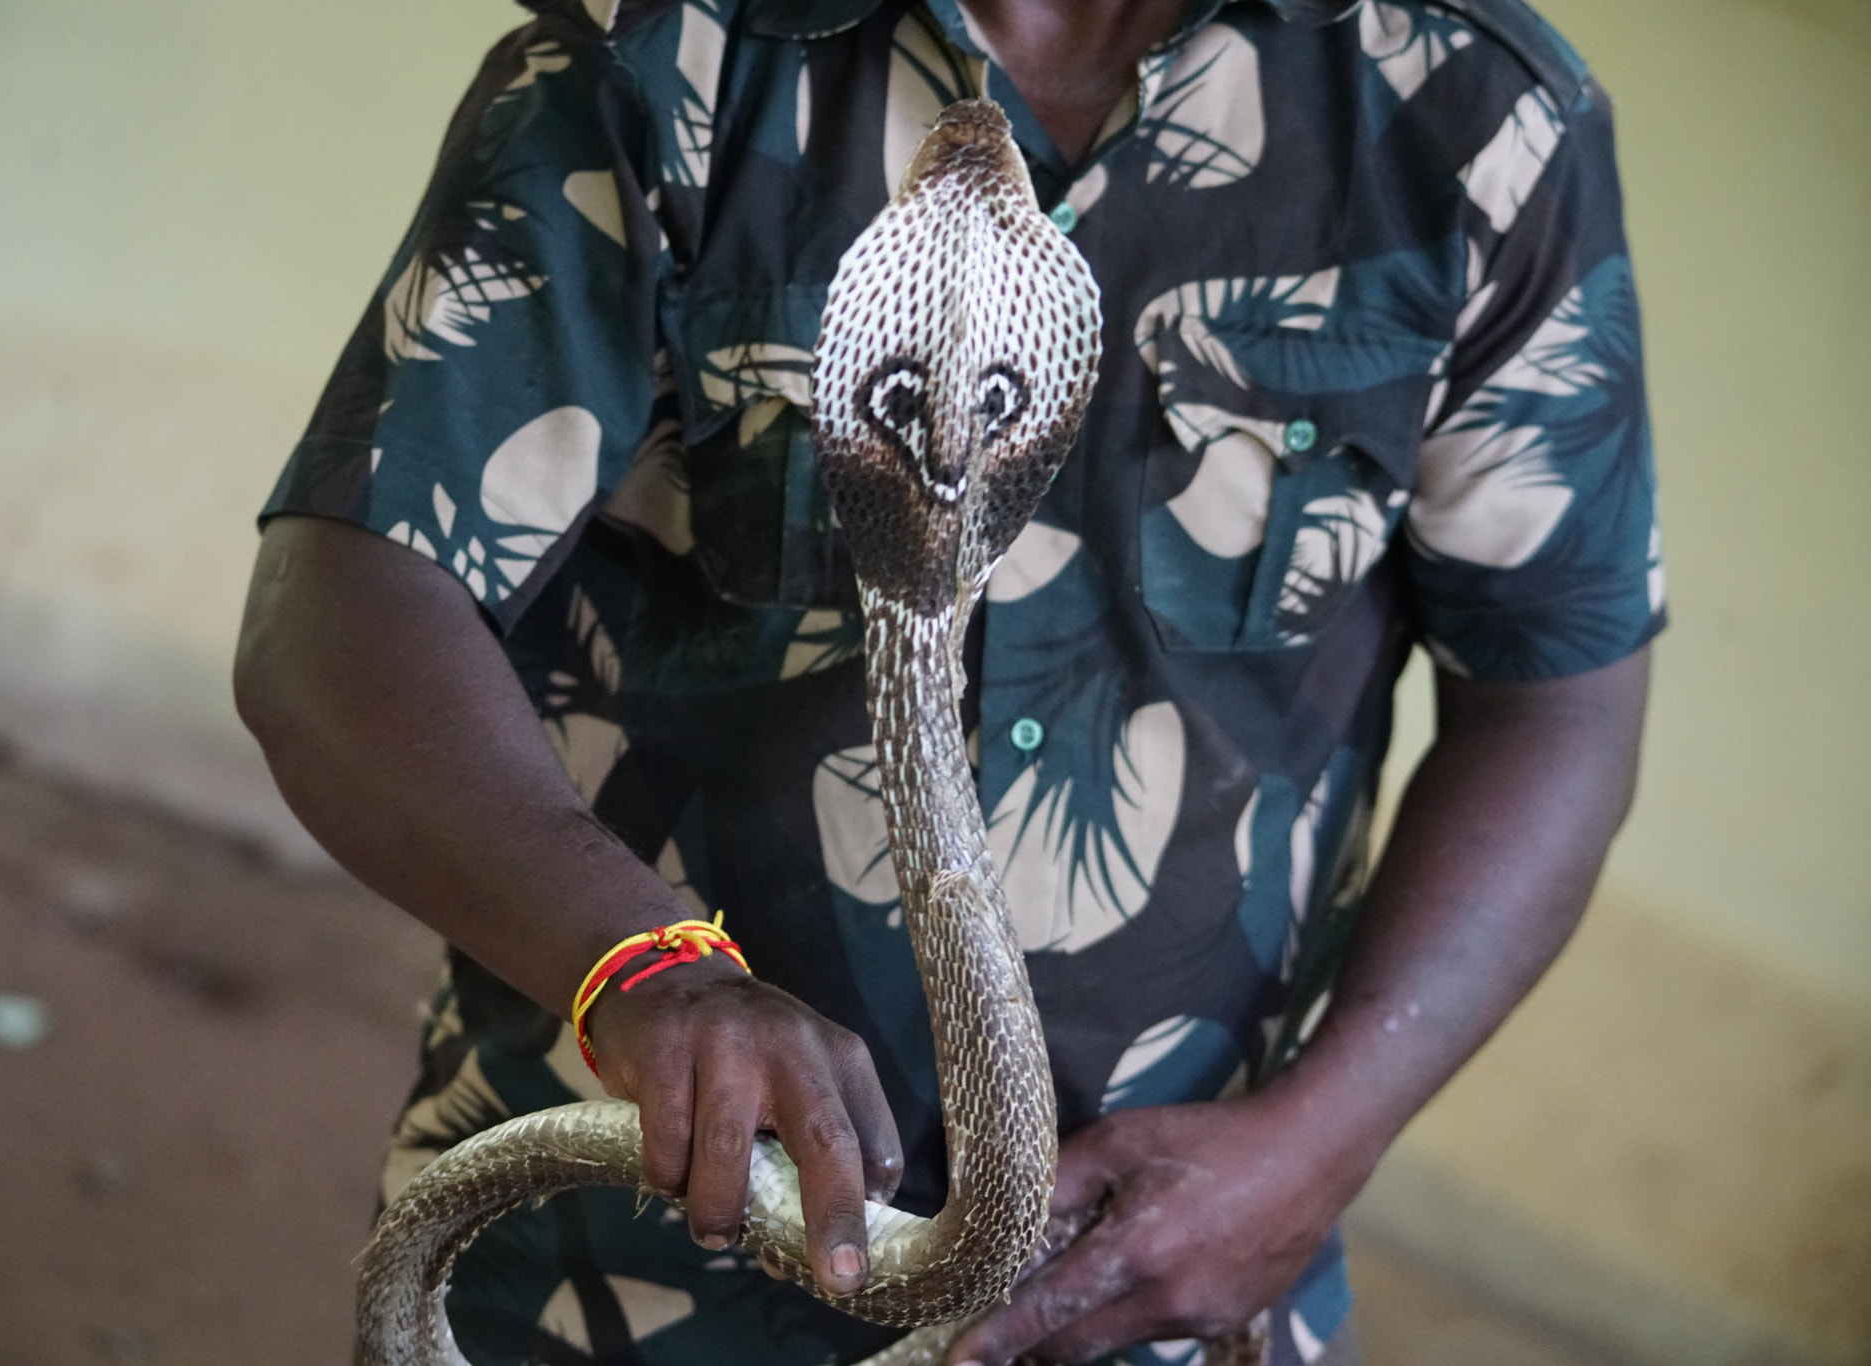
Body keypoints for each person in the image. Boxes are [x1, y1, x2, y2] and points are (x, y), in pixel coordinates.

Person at [234, 0, 1661, 1361]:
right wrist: (643, 963)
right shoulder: (660, 58)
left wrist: (1319, 1143)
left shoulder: (1481, 119)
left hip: (1161, 1280)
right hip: (623, 1252)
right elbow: (346, 602)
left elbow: (1553, 696)